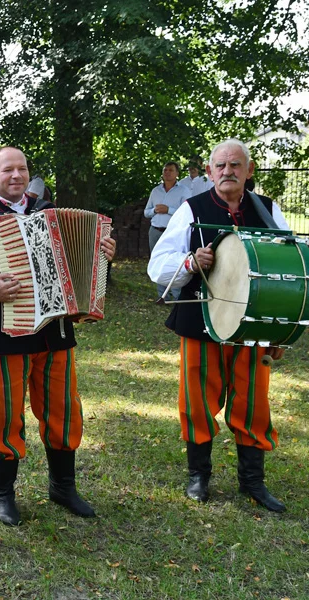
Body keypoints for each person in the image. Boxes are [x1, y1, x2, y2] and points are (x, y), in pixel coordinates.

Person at [0, 146, 116, 526]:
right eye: (7, 170)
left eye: (22, 169)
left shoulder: (49, 214)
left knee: (64, 409)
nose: (16, 176)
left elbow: (75, 264)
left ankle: (62, 487)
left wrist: (100, 253)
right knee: (3, 413)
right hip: (2, 332)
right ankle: (4, 494)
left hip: (53, 331)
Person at [148, 138, 289, 512]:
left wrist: (282, 330)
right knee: (197, 400)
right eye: (220, 166)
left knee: (253, 402)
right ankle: (199, 477)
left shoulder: (270, 211)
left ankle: (253, 482)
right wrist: (192, 262)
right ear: (210, 172)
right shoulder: (191, 209)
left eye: (235, 165)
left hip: (254, 325)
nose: (228, 172)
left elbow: (291, 269)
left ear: (249, 170)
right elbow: (157, 265)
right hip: (202, 318)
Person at [143, 162, 189, 302]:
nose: (167, 172)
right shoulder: (156, 191)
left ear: (177, 174)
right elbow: (146, 212)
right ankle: (161, 296)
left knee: (175, 262)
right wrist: (155, 211)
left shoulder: (184, 191)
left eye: (171, 170)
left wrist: (168, 210)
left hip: (173, 232)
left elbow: (187, 213)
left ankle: (176, 296)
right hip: (155, 231)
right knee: (157, 261)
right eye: (165, 170)